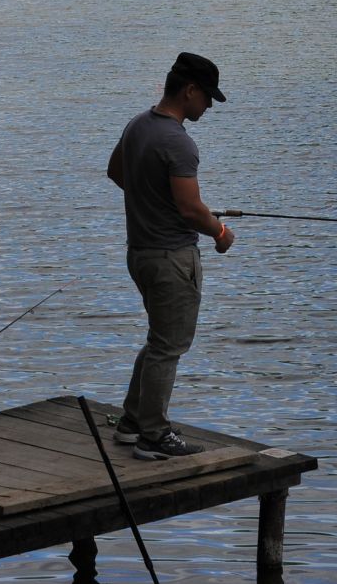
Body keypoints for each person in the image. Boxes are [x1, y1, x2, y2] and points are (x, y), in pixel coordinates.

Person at [107, 52, 235, 461]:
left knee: (159, 339)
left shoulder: (138, 125)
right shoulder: (179, 142)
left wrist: (152, 201)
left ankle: (132, 423)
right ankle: (154, 436)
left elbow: (116, 172)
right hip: (172, 259)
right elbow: (190, 209)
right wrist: (220, 232)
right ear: (190, 90)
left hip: (140, 253)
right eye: (207, 97)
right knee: (169, 346)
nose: (209, 106)